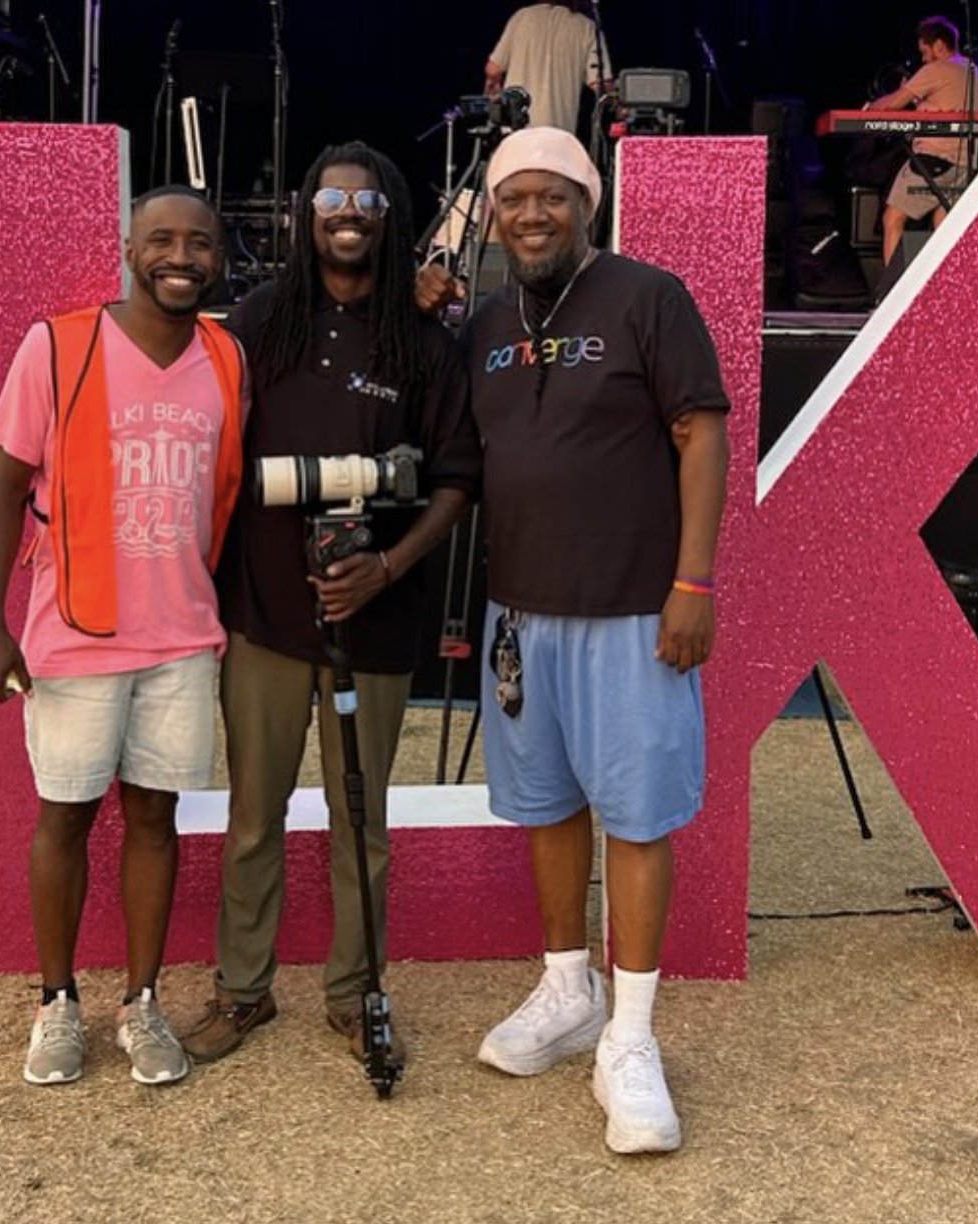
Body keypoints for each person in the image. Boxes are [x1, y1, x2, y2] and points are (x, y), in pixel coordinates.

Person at [460, 127, 729, 1155]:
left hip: (631, 609)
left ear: (589, 203)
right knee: (546, 804)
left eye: (554, 197)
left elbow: (699, 431)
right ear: (492, 213)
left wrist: (691, 582)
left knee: (637, 814)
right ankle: (566, 990)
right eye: (514, 198)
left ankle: (630, 1034)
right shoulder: (484, 322)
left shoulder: (646, 297)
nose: (532, 214)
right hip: (520, 613)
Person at [184, 142, 481, 1068]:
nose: (348, 211)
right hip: (267, 614)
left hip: (380, 622)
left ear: (391, 215)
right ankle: (244, 991)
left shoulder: (423, 339)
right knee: (253, 813)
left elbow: (458, 480)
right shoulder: (263, 318)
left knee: (363, 819)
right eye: (331, 196)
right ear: (306, 210)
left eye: (368, 198)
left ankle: (355, 994)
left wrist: (386, 568)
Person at [0, 186, 247, 1088]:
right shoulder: (57, 345)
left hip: (179, 639)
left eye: (199, 243)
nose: (182, 256)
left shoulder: (225, 357)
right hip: (77, 635)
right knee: (65, 817)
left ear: (220, 257)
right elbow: (2, 494)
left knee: (154, 819)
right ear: (129, 247)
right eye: (162, 239)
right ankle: (57, 1005)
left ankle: (141, 1002)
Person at [867, 15, 978, 265]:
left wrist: (869, 107)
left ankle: (892, 295)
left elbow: (891, 105)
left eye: (925, 51)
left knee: (892, 219)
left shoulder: (936, 69)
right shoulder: (971, 69)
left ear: (939, 46)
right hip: (963, 164)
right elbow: (943, 102)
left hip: (933, 160)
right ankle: (940, 291)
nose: (922, 59)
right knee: (942, 226)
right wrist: (918, 98)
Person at [485, 2, 611, 136]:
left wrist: (494, 83)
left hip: (514, 133)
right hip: (558, 135)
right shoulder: (587, 27)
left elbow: (493, 69)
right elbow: (601, 84)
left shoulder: (521, 18)